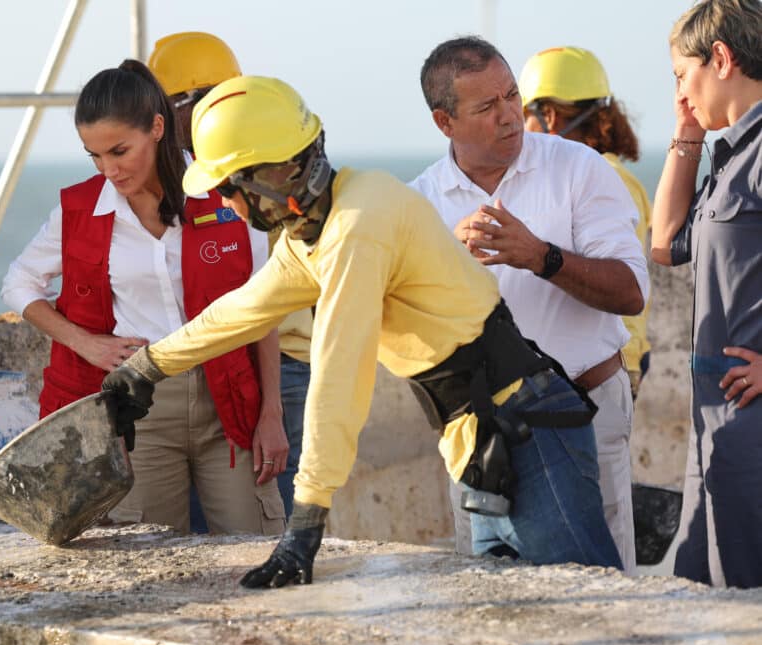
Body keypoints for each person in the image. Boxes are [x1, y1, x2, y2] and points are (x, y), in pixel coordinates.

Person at [101, 74, 622, 589]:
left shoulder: (356, 227)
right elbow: (241, 311)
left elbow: (338, 374)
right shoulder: (318, 231)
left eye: (227, 187)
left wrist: (305, 521)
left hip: (527, 434)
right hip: (484, 439)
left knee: (585, 610)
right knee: (510, 620)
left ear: (268, 175)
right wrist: (147, 369)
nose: (226, 203)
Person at [0, 60, 287, 536]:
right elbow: (19, 283)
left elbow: (263, 310)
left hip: (230, 400)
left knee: (255, 546)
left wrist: (272, 415)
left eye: (119, 151)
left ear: (157, 128)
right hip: (142, 410)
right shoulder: (81, 209)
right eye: (94, 156)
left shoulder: (225, 194)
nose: (108, 169)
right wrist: (84, 343)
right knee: (153, 562)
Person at [408, 36, 649, 574]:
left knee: (607, 594)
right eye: (487, 107)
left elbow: (631, 292)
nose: (510, 115)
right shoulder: (417, 204)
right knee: (496, 605)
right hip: (478, 435)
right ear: (444, 123)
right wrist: (447, 262)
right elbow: (401, 332)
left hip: (586, 414)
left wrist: (541, 257)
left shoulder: (580, 168)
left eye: (513, 96)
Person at [148, 32, 313, 520]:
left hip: (275, 364)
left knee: (277, 524)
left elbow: (259, 299)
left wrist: (270, 411)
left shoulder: (236, 170)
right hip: (238, 360)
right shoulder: (207, 170)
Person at [650, 0, 762, 589]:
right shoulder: (731, 152)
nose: (679, 92)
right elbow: (665, 243)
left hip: (752, 428)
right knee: (697, 595)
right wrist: (687, 129)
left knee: (745, 609)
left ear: (719, 58)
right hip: (711, 423)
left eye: (680, 75)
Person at [518, 46, 653, 401]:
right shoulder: (609, 174)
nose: (518, 128)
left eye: (523, 115)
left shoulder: (600, 177)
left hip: (600, 367)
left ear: (549, 115)